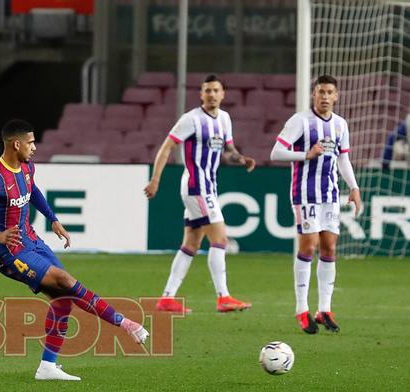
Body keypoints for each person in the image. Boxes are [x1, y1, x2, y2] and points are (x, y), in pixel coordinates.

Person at [0, 119, 149, 381]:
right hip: (7, 253)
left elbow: (33, 192)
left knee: (63, 300)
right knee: (65, 280)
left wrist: (53, 218)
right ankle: (126, 324)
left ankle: (47, 367)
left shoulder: (27, 167)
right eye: (30, 142)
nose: (34, 147)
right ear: (16, 144)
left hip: (31, 240)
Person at [144, 74, 256, 314]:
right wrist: (155, 180)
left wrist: (241, 159)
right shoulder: (191, 119)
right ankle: (223, 297)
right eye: (208, 91)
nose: (212, 94)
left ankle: (167, 298)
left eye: (216, 90)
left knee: (191, 244)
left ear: (223, 93)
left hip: (208, 186)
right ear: (201, 94)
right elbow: (166, 148)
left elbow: (228, 150)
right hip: (196, 186)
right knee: (220, 239)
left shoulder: (225, 119)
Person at [270, 74, 362, 334]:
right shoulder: (300, 121)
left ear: (336, 96)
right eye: (320, 92)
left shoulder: (341, 125)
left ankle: (324, 309)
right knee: (308, 245)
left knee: (329, 247)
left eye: (329, 92)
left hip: (330, 195)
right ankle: (302, 309)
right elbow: (276, 152)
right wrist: (305, 154)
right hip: (305, 193)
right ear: (313, 94)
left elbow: (343, 159)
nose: (324, 96)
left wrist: (354, 188)